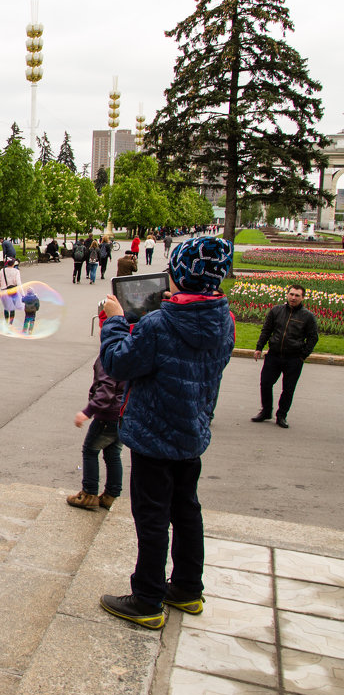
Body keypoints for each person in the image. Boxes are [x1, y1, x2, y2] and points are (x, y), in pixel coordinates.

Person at [97, 236, 235, 630]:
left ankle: (146, 598)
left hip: (154, 436)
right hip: (191, 432)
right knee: (186, 511)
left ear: (178, 275)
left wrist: (115, 321)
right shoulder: (222, 320)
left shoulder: (161, 322)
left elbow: (118, 363)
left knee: (152, 516)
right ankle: (188, 589)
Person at [67, 307, 125, 511]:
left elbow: (106, 389)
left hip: (106, 416)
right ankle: (110, 495)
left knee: (90, 450)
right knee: (113, 454)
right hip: (121, 415)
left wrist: (88, 412)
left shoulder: (108, 355)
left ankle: (89, 492)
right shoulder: (127, 350)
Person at [251, 285, 318, 429]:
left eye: (297, 296)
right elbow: (267, 330)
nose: (293, 298)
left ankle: (281, 415)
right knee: (266, 383)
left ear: (303, 298)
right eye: (291, 294)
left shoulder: (307, 316)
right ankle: (266, 411)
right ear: (287, 295)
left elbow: (313, 338)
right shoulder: (276, 311)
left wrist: (303, 355)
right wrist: (259, 347)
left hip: (294, 358)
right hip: (274, 354)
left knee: (288, 388)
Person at [0, 259, 22, 326]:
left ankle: (6, 322)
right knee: (12, 307)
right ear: (13, 264)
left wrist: (2, 285)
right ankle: (11, 323)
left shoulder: (2, 270)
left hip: (4, 291)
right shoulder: (16, 271)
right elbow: (18, 282)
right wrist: (22, 294)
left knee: (6, 307)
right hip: (13, 291)